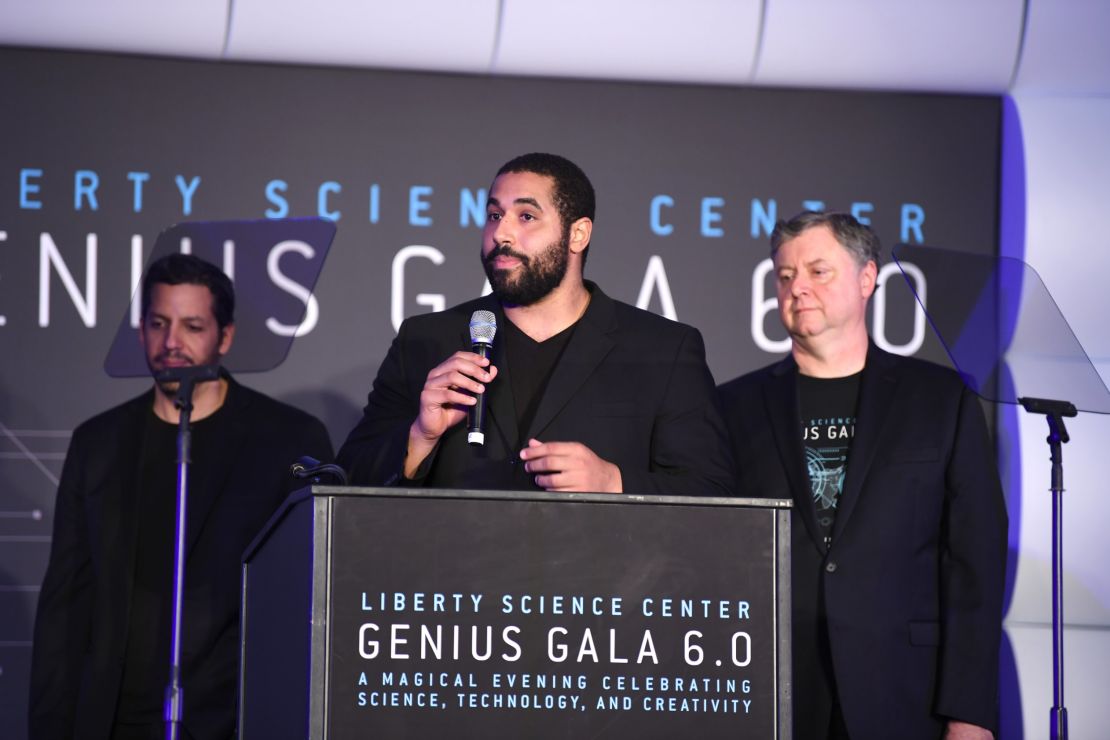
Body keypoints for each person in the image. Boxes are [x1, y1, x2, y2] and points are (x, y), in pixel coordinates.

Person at [717, 212, 1007, 740]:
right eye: (784, 276)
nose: (797, 287)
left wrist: (970, 713)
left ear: (867, 278)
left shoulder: (941, 401)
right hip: (772, 694)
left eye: (818, 271)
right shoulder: (733, 407)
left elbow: (975, 562)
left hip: (906, 694)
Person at [30, 253, 334, 740]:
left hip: (236, 719)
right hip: (115, 720)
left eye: (192, 326)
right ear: (141, 331)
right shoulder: (99, 443)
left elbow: (311, 604)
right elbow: (65, 606)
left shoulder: (288, 440)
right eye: (158, 324)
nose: (172, 343)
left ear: (225, 336)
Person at [338, 152, 733, 496]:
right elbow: (345, 483)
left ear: (578, 234)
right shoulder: (425, 341)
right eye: (494, 215)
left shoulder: (663, 350)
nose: (501, 233)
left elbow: (713, 493)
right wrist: (419, 438)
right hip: (452, 579)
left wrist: (614, 481)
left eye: (526, 216)